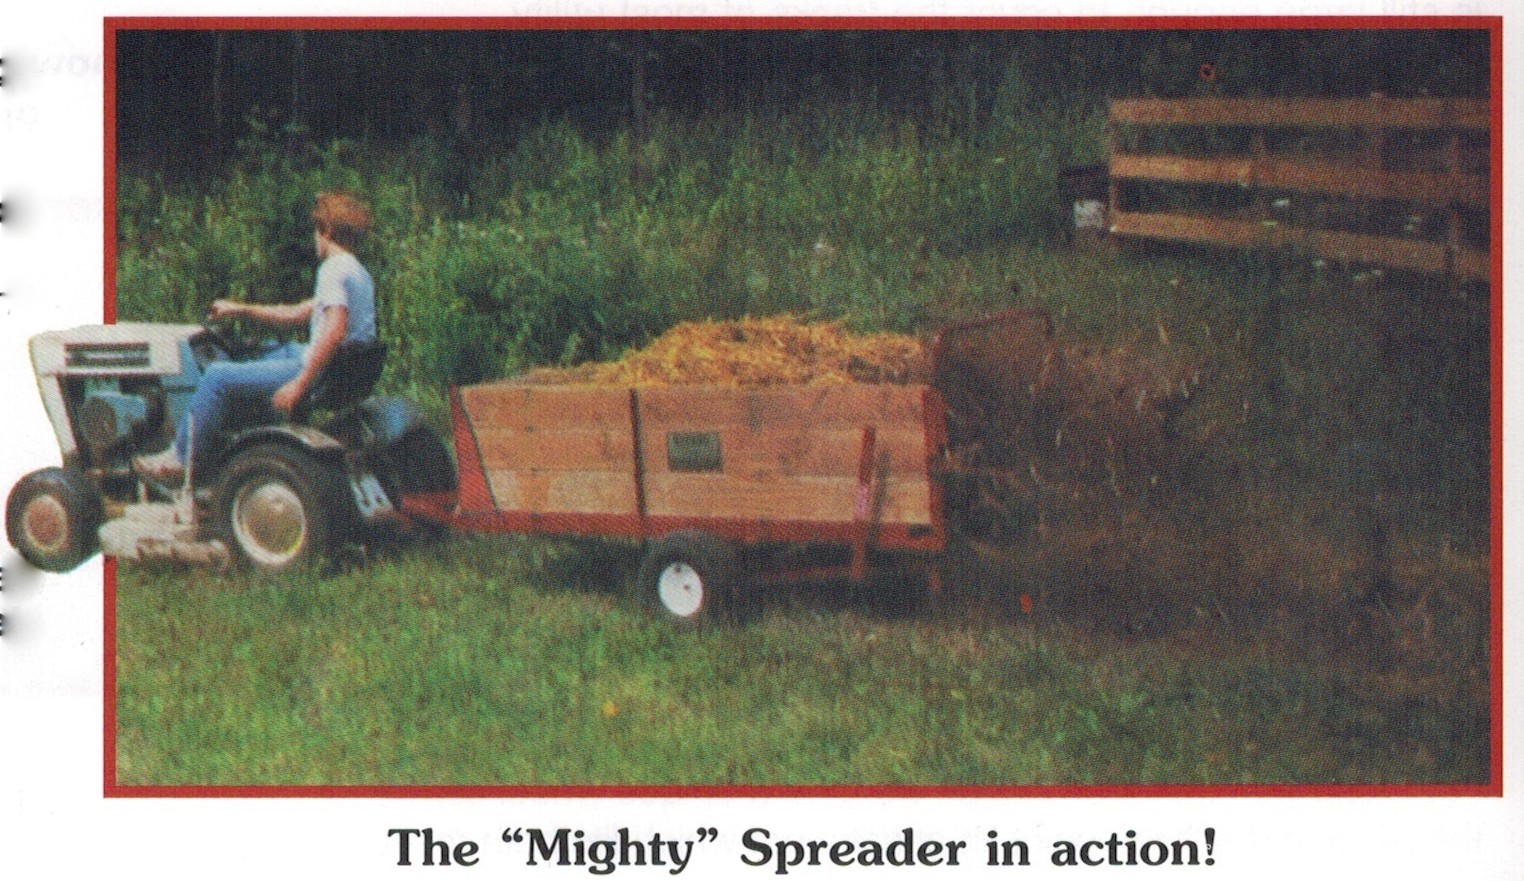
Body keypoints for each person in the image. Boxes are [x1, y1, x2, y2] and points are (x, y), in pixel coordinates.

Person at [133, 191, 378, 480]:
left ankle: (180, 458)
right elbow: (300, 312)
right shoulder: (357, 271)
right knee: (268, 350)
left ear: (326, 231)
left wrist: (299, 385)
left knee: (216, 377)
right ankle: (222, 436)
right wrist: (241, 309)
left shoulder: (332, 270)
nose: (314, 238)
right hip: (340, 368)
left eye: (315, 230)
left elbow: (334, 331)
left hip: (321, 370)